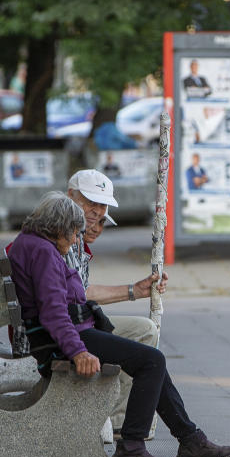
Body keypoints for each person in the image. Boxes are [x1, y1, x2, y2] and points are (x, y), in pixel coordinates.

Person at [8, 192, 230, 457]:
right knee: (152, 361)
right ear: (58, 228)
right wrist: (78, 351)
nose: (76, 240)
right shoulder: (43, 251)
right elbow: (53, 312)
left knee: (151, 359)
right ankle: (132, 447)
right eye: (74, 233)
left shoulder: (34, 244)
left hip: (64, 333)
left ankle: (190, 439)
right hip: (58, 340)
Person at [66, 169, 162, 438]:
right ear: (69, 197)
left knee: (146, 341)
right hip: (63, 332)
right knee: (146, 345)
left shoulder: (75, 240)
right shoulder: (63, 238)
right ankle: (122, 420)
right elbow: (71, 300)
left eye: (102, 206)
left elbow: (80, 293)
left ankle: (126, 417)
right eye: (90, 203)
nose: (96, 216)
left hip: (71, 326)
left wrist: (135, 290)